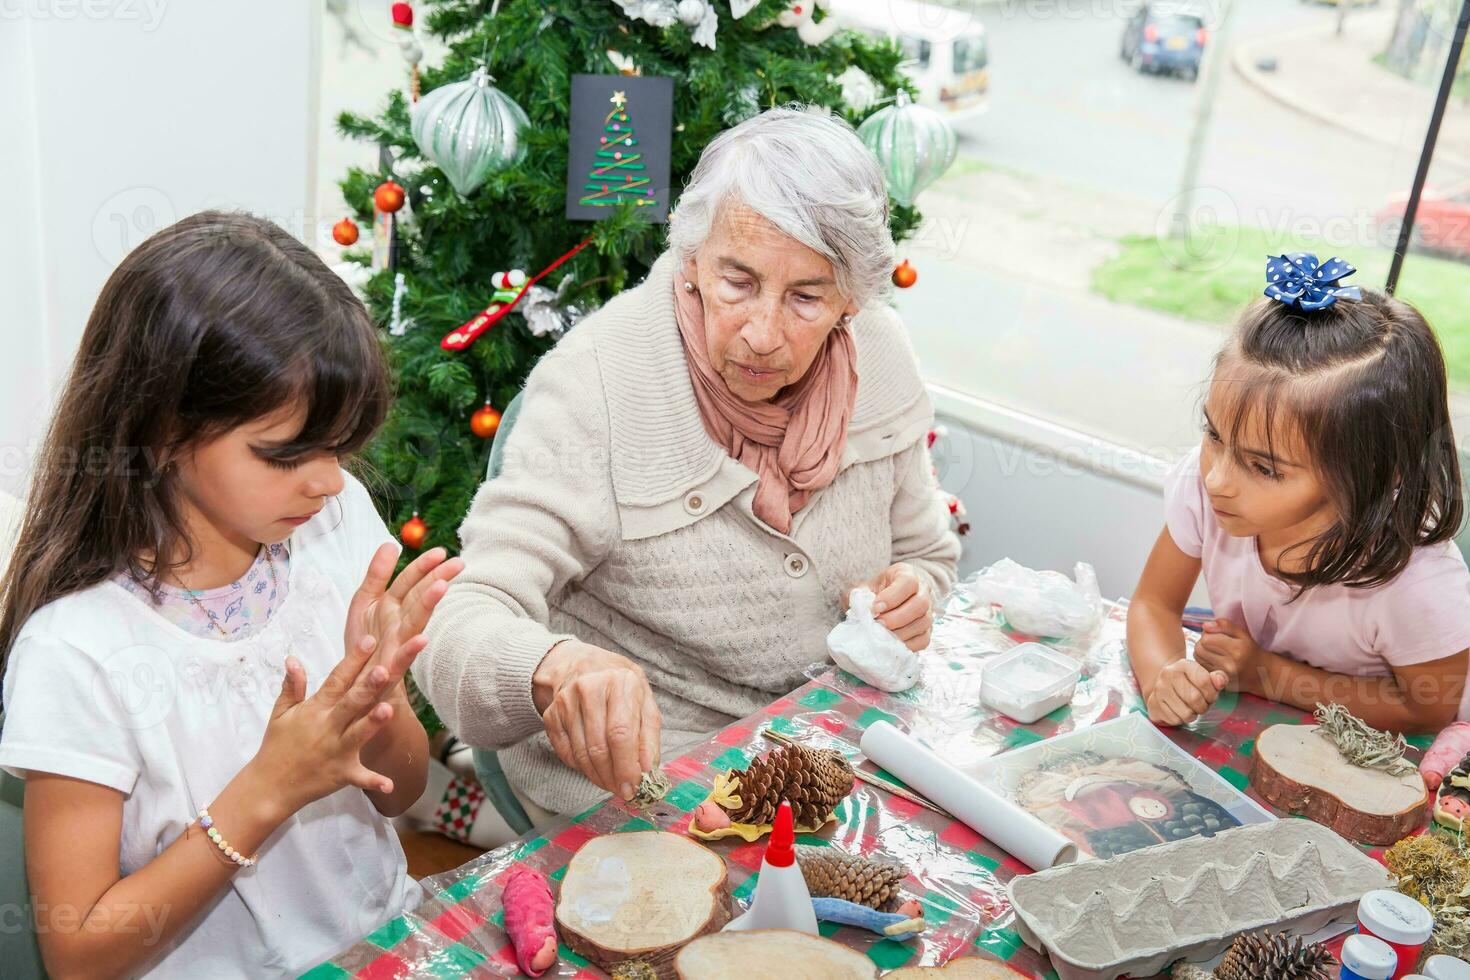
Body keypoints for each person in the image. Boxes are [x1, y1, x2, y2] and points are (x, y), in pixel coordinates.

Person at [413, 106, 961, 822]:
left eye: (806, 296)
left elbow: (928, 553)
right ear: (692, 256)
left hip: (829, 755)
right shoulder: (597, 383)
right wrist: (553, 668)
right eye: (738, 282)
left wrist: (914, 591)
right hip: (646, 783)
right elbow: (452, 627)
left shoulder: (880, 357)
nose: (764, 334)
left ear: (852, 300)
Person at [0, 212, 462, 977]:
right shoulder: (75, 650)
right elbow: (78, 952)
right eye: (288, 452)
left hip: (384, 946)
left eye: (341, 445)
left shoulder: (332, 526)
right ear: (162, 429)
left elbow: (400, 791)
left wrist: (379, 694)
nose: (327, 478)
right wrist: (265, 792)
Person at [1128, 253, 1470, 733]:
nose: (1217, 480)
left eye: (1264, 468)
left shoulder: (1417, 583)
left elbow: (1428, 707)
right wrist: (1163, 674)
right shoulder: (1207, 489)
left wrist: (1269, 675)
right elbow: (1153, 604)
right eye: (1215, 434)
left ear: (1372, 472)